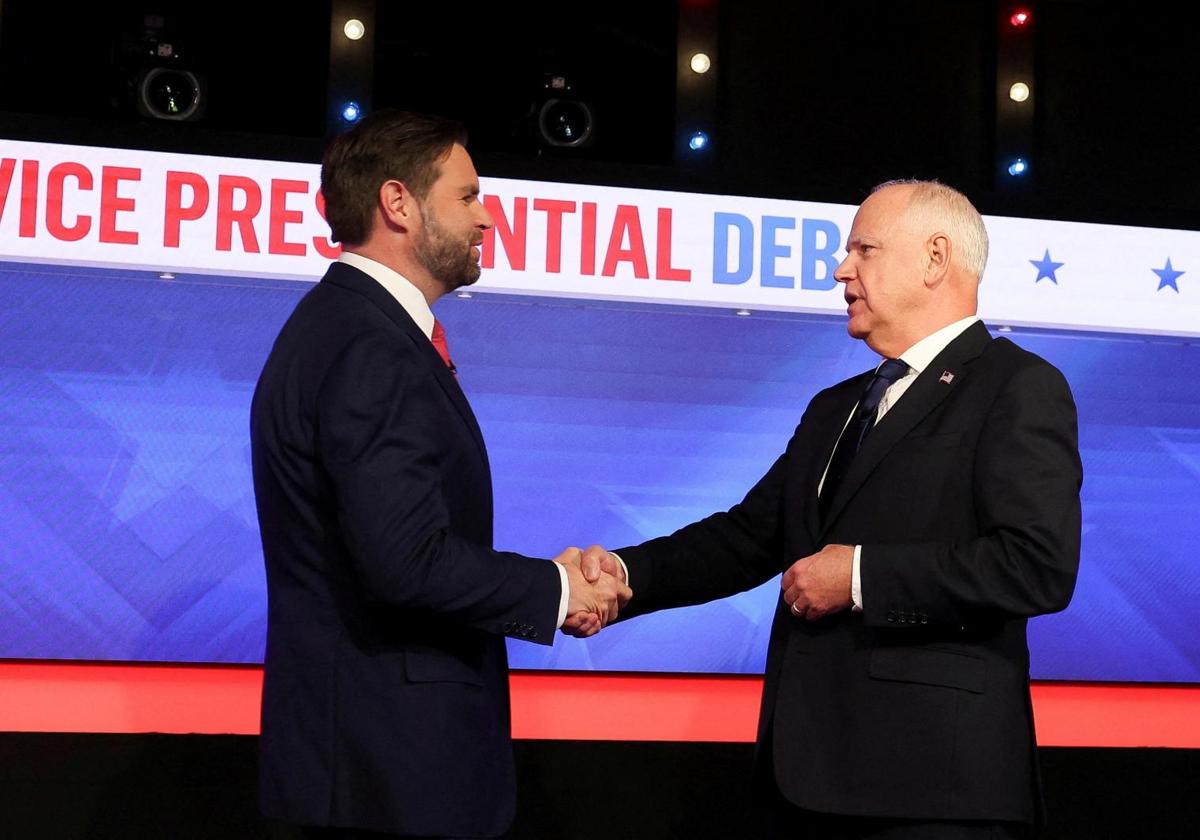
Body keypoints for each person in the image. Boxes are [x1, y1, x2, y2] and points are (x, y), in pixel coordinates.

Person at [570, 180, 1082, 838]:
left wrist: (861, 576)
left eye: (864, 249)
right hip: (805, 784)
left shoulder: (1017, 386)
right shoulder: (835, 408)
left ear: (934, 259)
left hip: (934, 791)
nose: (842, 269)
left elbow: (1036, 564)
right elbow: (748, 537)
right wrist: (617, 572)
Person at [251, 109, 629, 839]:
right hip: (388, 775)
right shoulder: (371, 347)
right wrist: (556, 589)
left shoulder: (341, 327)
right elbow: (405, 562)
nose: (486, 218)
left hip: (365, 769)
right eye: (466, 197)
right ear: (399, 204)